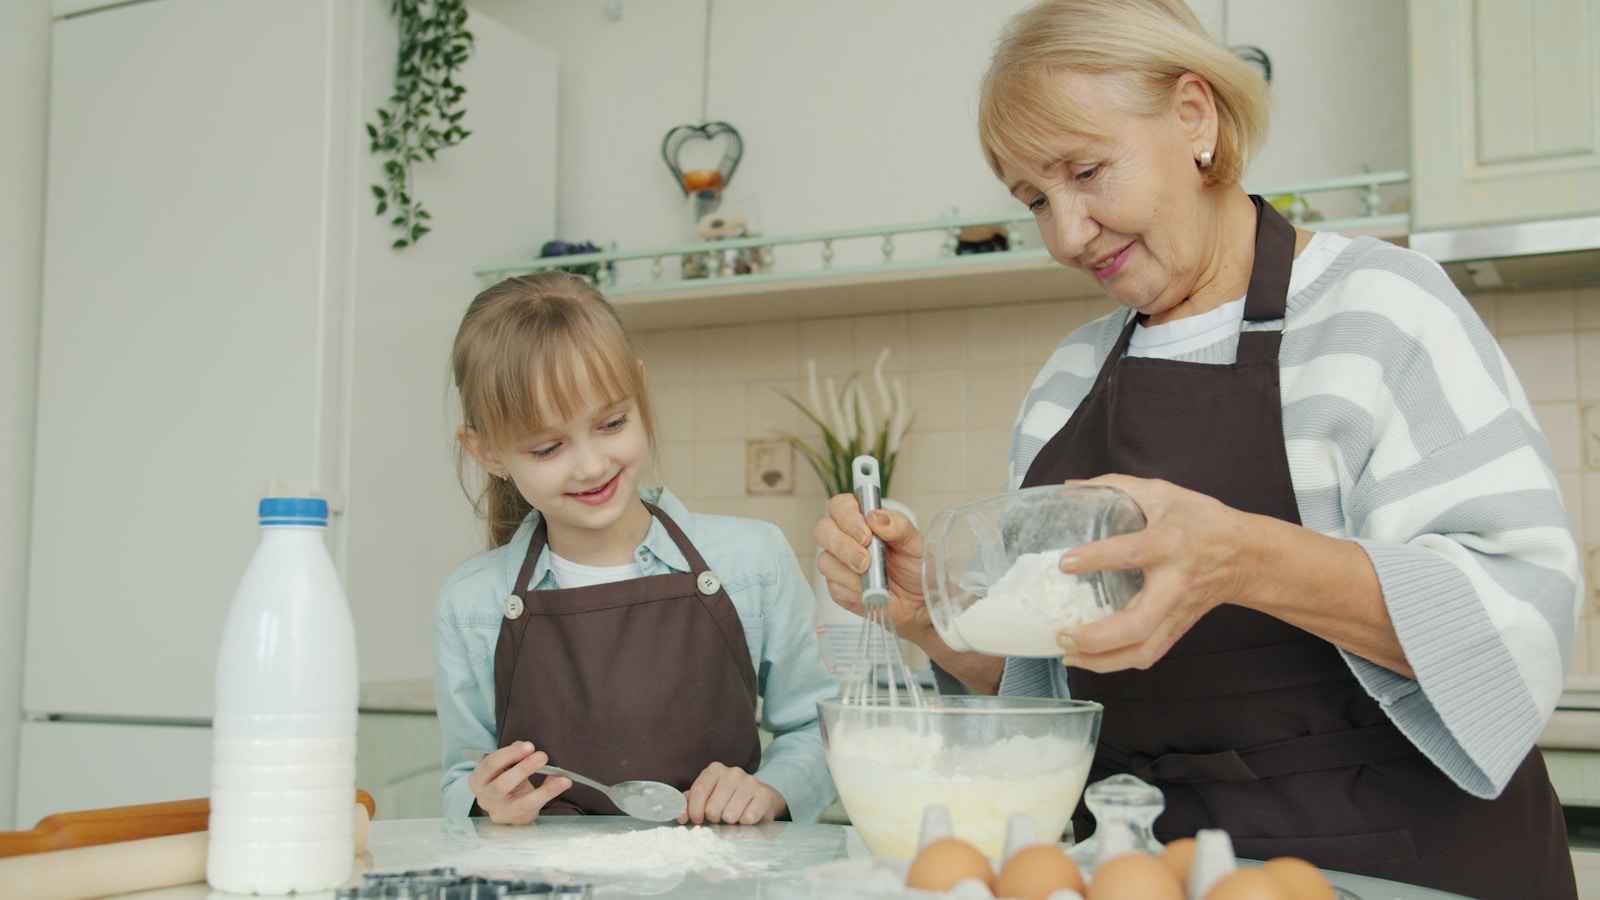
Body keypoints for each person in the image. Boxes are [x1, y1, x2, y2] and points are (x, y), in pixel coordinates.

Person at [813, 1, 1581, 896]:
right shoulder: (1070, 376)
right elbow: (1043, 693)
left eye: (1087, 171)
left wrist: (1242, 558)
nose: (1065, 233)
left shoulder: (1378, 309)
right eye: (1035, 200)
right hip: (1153, 869)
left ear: (1194, 117)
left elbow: (1516, 618)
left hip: (1407, 863)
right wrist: (926, 618)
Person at [435, 271, 839, 826]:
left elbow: (821, 730)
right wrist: (486, 802)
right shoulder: (470, 605)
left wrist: (770, 790)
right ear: (488, 453)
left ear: (640, 392)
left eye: (612, 423)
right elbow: (462, 777)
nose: (592, 464)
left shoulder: (753, 563)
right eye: (549, 447)